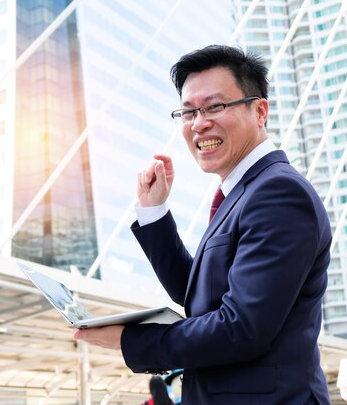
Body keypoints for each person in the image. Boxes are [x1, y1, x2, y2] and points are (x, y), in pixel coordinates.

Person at [74, 45, 332, 404]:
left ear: (260, 111)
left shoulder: (278, 192)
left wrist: (129, 340)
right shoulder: (242, 194)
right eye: (189, 111)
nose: (198, 123)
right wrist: (154, 212)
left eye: (214, 107)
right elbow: (196, 295)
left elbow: (242, 328)